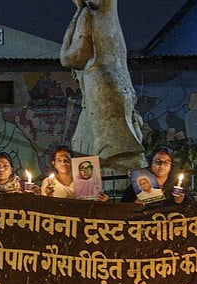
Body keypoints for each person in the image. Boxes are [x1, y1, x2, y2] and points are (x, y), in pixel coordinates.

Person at [60, 0, 146, 172]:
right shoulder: (109, 16)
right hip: (120, 87)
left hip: (101, 88)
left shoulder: (89, 14)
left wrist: (77, 16)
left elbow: (72, 57)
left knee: (107, 158)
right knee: (118, 156)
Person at [122, 147, 188, 205]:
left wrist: (183, 199)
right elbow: (124, 205)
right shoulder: (139, 183)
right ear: (151, 164)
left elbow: (190, 201)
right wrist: (135, 204)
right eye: (158, 162)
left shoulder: (176, 183)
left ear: (171, 165)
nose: (162, 166)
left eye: (166, 162)